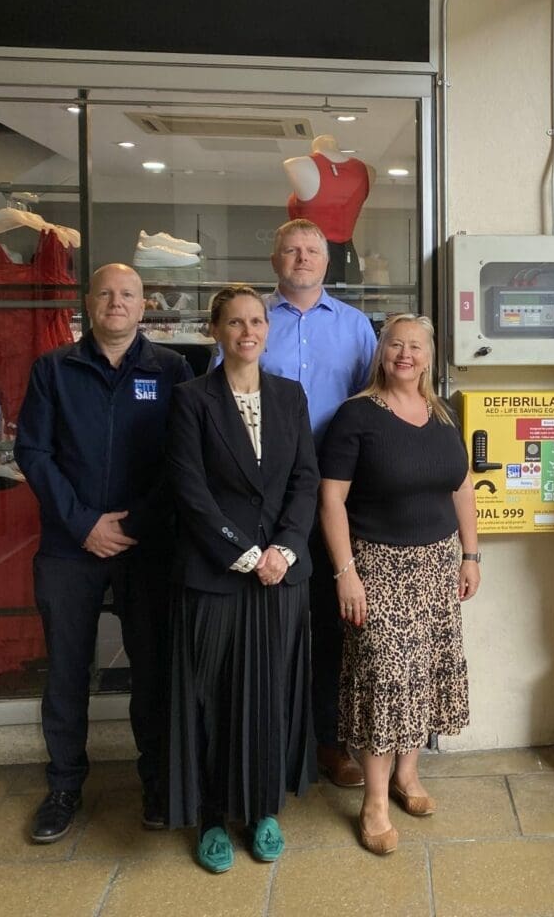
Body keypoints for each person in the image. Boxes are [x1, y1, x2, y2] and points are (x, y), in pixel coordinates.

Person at [15, 263, 194, 843]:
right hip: (70, 548)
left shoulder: (172, 371)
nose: (117, 303)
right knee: (67, 671)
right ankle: (64, 785)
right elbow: (34, 454)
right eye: (106, 294)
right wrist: (84, 523)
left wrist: (134, 524)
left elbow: (182, 461)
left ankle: (157, 782)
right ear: (88, 303)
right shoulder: (53, 370)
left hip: (147, 547)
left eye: (128, 295)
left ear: (146, 307)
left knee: (154, 669)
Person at [163, 286, 319, 873]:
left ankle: (262, 810)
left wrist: (283, 547)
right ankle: (209, 816)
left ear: (267, 329)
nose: (247, 331)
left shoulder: (290, 397)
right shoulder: (191, 399)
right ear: (215, 330)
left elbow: (305, 478)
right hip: (217, 574)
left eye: (256, 320)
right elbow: (190, 491)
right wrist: (249, 554)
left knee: (271, 693)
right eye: (234, 322)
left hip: (284, 576)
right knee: (210, 696)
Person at [318, 314, 481, 856]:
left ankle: (407, 779)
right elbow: (331, 500)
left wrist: (471, 553)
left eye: (415, 346)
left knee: (426, 673)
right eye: (395, 344)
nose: (405, 354)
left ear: (429, 356)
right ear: (380, 351)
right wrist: (346, 573)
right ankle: (374, 803)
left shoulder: (444, 414)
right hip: (377, 565)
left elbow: (462, 488)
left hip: (438, 564)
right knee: (384, 679)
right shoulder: (355, 416)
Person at [242, 218, 377, 787]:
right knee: (268, 624)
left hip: (337, 497)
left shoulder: (356, 328)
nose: (302, 258)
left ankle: (328, 740)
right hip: (263, 496)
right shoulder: (252, 322)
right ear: (275, 259)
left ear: (328, 261)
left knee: (330, 625)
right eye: (292, 249)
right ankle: (272, 743)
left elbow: (377, 402)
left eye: (313, 250)